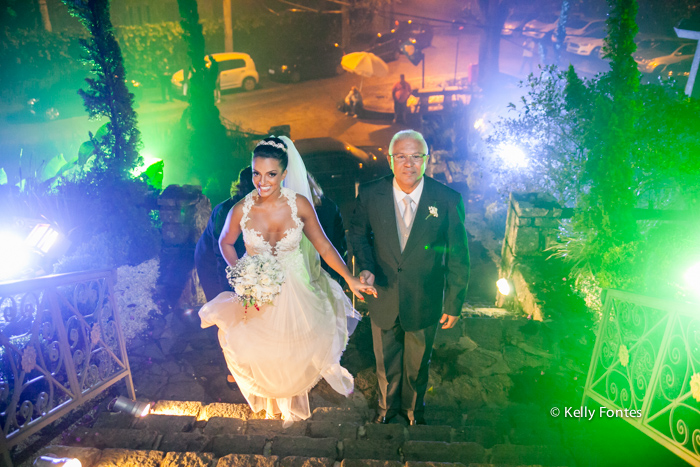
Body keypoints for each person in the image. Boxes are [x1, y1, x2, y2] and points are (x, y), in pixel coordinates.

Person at [198, 136, 376, 423]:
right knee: (262, 347)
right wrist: (244, 271)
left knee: (294, 346)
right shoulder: (241, 209)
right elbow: (224, 243)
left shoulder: (300, 205)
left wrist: (350, 278)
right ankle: (272, 408)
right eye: (257, 173)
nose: (262, 181)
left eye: (271, 174)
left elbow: (324, 246)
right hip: (259, 290)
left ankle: (290, 407)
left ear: (284, 173)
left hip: (295, 288)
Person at [349, 129, 470, 426]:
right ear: (390, 160)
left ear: (426, 160)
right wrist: (366, 266)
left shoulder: (447, 199)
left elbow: (457, 255)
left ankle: (415, 412)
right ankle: (386, 409)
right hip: (384, 294)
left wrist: (453, 303)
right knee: (385, 362)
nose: (408, 163)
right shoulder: (369, 194)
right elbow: (357, 235)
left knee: (418, 364)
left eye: (416, 156)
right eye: (401, 156)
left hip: (424, 297)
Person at [195, 166, 254, 302]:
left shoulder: (256, 206)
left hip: (235, 259)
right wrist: (228, 291)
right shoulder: (225, 211)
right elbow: (220, 253)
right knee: (222, 305)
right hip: (211, 261)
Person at [307, 173, 347, 283]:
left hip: (322, 275)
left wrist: (338, 278)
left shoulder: (327, 208)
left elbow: (335, 245)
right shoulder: (328, 206)